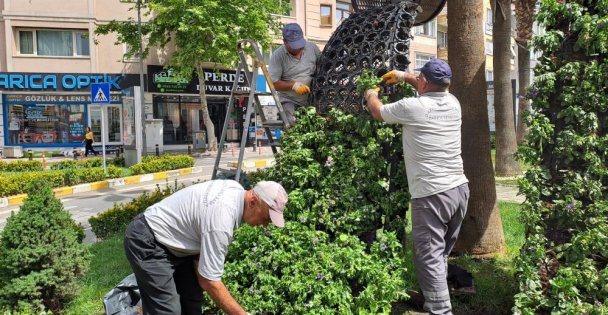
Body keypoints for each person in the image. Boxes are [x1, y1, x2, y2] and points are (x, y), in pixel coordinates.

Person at [363, 59, 470, 315]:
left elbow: (378, 111)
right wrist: (402, 76)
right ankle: (432, 297)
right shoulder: (453, 102)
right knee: (440, 252)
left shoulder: (414, 106)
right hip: (458, 190)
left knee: (429, 255)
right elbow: (427, 85)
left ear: (423, 82)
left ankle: (440, 310)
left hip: (432, 194)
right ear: (448, 83)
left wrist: (370, 94)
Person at [124, 179, 289, 315]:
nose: (265, 225)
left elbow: (203, 270)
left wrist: (199, 269)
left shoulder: (236, 190)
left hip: (177, 244)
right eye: (266, 218)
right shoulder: (221, 221)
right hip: (149, 239)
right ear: (253, 202)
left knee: (192, 299)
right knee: (167, 311)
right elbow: (209, 281)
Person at [268, 23, 321, 127]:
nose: (299, 48)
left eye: (300, 43)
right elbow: (273, 84)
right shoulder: (278, 56)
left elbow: (323, 65)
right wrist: (294, 85)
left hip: (312, 98)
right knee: (292, 122)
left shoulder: (312, 48)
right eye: (295, 45)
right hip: (289, 100)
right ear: (285, 42)